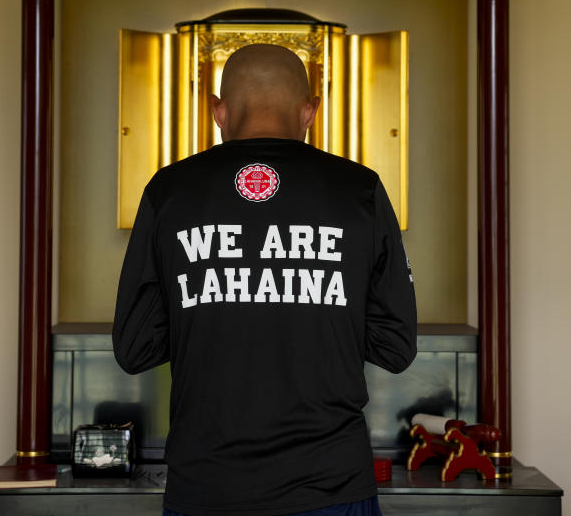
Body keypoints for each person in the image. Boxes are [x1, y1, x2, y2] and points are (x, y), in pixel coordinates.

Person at [113, 43, 418, 516]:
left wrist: (217, 300)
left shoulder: (169, 192)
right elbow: (396, 346)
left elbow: (134, 348)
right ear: (309, 111)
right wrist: (314, 306)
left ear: (219, 111)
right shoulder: (360, 190)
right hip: (330, 485)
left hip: (207, 488)